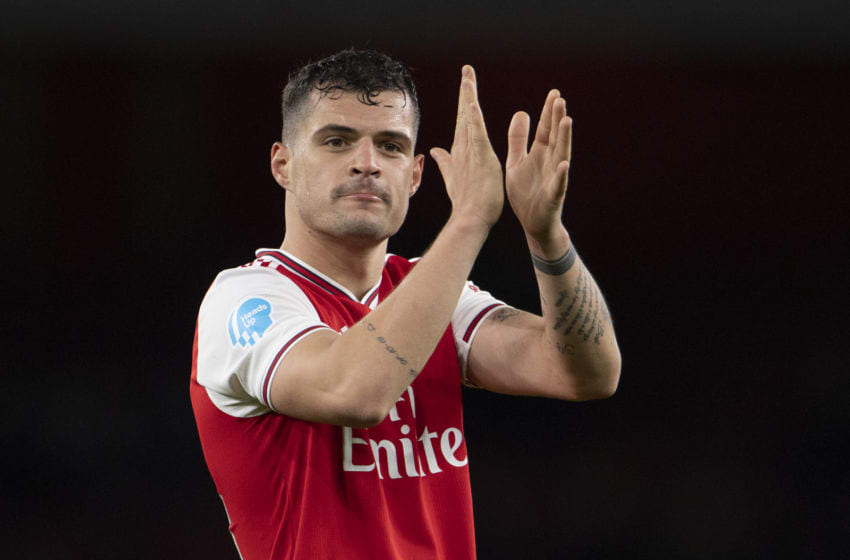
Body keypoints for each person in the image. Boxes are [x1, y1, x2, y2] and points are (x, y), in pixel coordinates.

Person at [190, 49, 621, 560]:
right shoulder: (244, 300)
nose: (367, 163)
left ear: (415, 176)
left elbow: (585, 374)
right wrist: (469, 221)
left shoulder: (430, 290)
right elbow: (355, 392)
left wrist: (546, 235)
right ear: (283, 164)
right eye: (336, 141)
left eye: (390, 147)